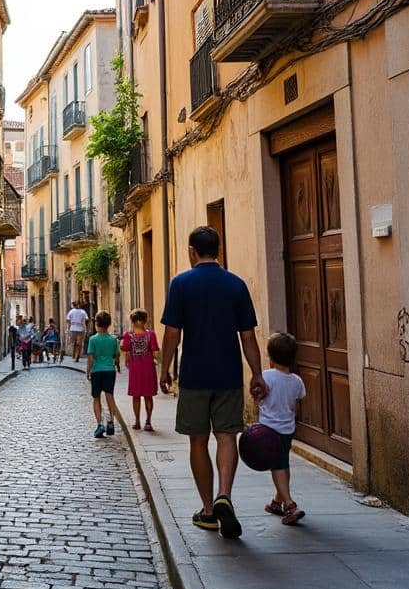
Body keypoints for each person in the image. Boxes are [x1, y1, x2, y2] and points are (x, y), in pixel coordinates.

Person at [159, 226, 267, 539]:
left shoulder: (181, 283)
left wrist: (164, 369)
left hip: (194, 376)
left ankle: (208, 510)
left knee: (197, 441)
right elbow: (247, 336)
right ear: (217, 250)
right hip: (228, 375)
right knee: (226, 438)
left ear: (192, 250)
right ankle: (225, 496)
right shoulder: (236, 285)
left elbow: (171, 333)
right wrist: (257, 374)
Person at [260, 332, 307, 525]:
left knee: (278, 466)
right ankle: (276, 502)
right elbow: (298, 404)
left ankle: (290, 505)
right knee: (283, 464)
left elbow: (257, 395)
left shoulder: (265, 376)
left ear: (270, 357)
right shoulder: (297, 381)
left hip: (269, 431)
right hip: (288, 430)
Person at [121, 309, 160, 431]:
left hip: (135, 369)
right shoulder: (151, 335)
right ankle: (148, 421)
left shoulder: (128, 335)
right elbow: (155, 351)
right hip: (148, 368)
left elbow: (125, 348)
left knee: (136, 396)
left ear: (132, 321)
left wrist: (127, 361)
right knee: (148, 396)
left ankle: (137, 421)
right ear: (145, 321)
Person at [85, 311, 122, 438]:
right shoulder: (113, 340)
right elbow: (117, 356)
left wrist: (88, 371)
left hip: (96, 370)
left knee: (96, 398)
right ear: (109, 324)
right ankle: (111, 421)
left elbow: (90, 358)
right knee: (109, 396)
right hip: (109, 371)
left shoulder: (93, 339)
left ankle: (100, 424)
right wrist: (117, 365)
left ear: (96, 324)